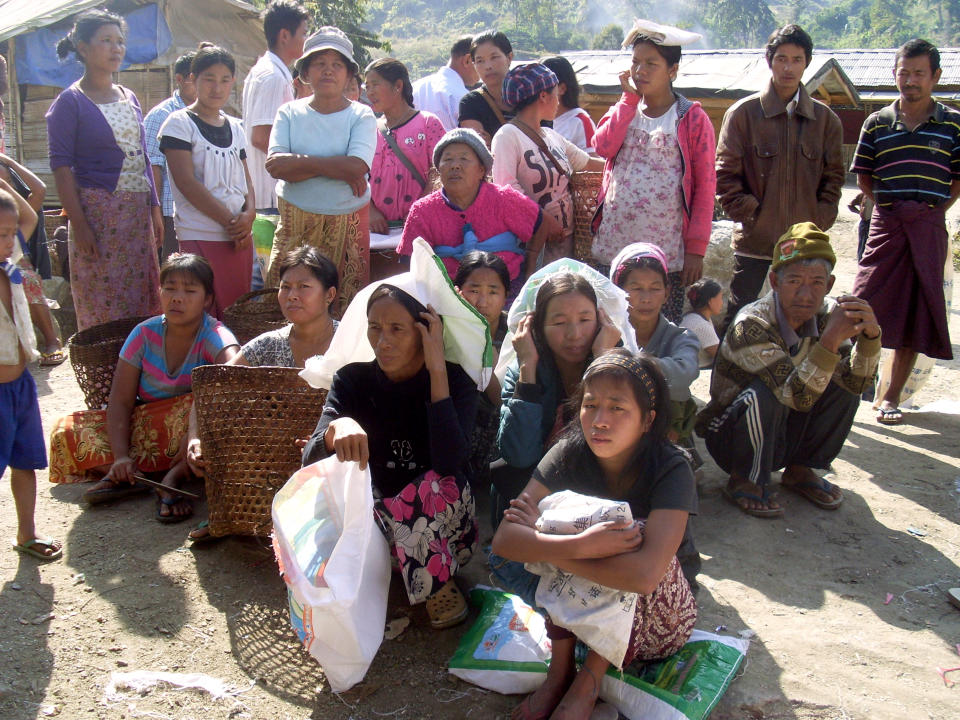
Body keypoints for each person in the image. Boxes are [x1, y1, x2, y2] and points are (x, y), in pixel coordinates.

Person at [491, 349, 698, 719]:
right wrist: (580, 544)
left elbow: (646, 576)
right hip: (580, 612)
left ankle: (589, 680)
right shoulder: (569, 452)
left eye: (617, 408)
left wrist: (550, 547)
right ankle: (560, 671)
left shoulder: (671, 466)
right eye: (591, 405)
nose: (600, 421)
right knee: (559, 520)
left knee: (631, 531)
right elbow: (504, 541)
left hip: (654, 621)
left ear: (647, 420)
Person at [302, 284, 479, 629]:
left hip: (443, 530)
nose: (383, 341)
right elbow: (310, 458)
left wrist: (437, 369)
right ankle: (393, 565)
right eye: (375, 328)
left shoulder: (457, 382)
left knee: (433, 486)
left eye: (397, 329)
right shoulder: (352, 381)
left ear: (425, 329)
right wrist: (336, 429)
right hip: (375, 520)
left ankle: (434, 582)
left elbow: (450, 463)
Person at [696, 223, 881, 518]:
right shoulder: (752, 324)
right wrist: (831, 341)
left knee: (842, 388)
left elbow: (856, 384)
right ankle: (745, 478)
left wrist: (870, 339)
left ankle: (800, 469)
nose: (806, 294)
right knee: (764, 394)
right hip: (731, 436)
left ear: (829, 285)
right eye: (794, 281)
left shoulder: (827, 315)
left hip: (784, 429)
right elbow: (795, 396)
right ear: (775, 281)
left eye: (817, 283)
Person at [48, 254, 239, 524]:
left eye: (189, 290)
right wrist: (121, 455)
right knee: (63, 431)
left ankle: (171, 476)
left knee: (198, 404)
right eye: (170, 288)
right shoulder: (143, 334)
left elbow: (235, 374)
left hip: (190, 435)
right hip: (145, 431)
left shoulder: (214, 335)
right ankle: (136, 472)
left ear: (207, 299)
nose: (177, 297)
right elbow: (121, 401)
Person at [185, 246, 339, 542]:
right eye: (285, 287)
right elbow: (211, 388)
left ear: (329, 295)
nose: (292, 295)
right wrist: (196, 437)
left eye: (304, 287)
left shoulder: (348, 342)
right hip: (270, 459)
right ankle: (229, 516)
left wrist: (324, 440)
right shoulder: (267, 345)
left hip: (330, 453)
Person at [850, 38, 960, 426]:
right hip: (886, 224)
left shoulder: (953, 123)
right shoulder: (876, 122)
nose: (910, 81)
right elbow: (864, 175)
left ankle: (889, 398)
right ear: (894, 74)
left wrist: (934, 211)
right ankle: (846, 389)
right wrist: (889, 208)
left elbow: (957, 178)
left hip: (928, 226)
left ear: (935, 77)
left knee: (916, 309)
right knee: (861, 302)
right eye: (903, 73)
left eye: (918, 73)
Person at [716, 24, 844, 332]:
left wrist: (818, 219)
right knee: (740, 322)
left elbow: (834, 179)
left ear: (806, 63)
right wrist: (752, 214)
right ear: (769, 60)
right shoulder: (743, 114)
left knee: (800, 322)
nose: (788, 67)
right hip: (754, 244)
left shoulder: (826, 121)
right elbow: (724, 174)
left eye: (797, 59)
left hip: (804, 246)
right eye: (782, 58)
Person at [46, 9, 163, 332]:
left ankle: (140, 372)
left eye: (120, 41)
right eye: (106, 41)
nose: (116, 48)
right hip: (98, 216)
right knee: (102, 300)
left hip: (135, 216)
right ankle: (108, 374)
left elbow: (140, 154)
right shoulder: (70, 102)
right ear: (83, 48)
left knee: (142, 295)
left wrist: (153, 207)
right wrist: (79, 223)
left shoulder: (129, 97)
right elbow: (61, 167)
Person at [592, 20, 716, 324]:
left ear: (672, 70)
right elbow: (603, 146)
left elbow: (705, 188)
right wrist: (628, 101)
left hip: (666, 253)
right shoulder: (625, 107)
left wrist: (696, 250)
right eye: (636, 62)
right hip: (613, 245)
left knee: (657, 329)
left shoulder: (691, 119)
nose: (640, 71)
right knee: (610, 327)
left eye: (651, 64)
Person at [265, 26, 377, 315]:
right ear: (306, 71)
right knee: (283, 306)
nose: (328, 71)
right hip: (294, 224)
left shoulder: (361, 115)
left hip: (347, 226)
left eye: (337, 65)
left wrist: (300, 164)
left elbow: (357, 166)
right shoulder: (289, 113)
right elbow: (276, 165)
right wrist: (336, 167)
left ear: (349, 74)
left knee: (344, 308)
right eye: (320, 64)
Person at [496, 269, 622, 520]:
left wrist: (603, 362)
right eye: (559, 322)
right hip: (540, 492)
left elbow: (619, 448)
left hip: (598, 488)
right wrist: (527, 369)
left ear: (600, 321)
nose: (574, 334)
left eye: (585, 320)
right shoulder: (524, 369)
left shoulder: (621, 367)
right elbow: (519, 456)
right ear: (537, 327)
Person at [398, 128, 559, 298]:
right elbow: (409, 261)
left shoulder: (504, 199)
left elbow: (540, 222)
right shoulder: (422, 211)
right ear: (438, 169)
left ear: (481, 170)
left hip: (507, 290)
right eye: (448, 159)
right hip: (446, 296)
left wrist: (531, 261)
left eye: (464, 159)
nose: (455, 165)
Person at [160, 44, 255, 319]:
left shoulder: (236, 127)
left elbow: (246, 179)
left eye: (225, 80)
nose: (217, 88)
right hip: (200, 233)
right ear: (193, 79)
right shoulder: (178, 124)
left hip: (238, 238)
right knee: (200, 312)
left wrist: (249, 215)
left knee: (236, 314)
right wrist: (231, 222)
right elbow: (187, 183)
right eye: (209, 79)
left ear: (233, 83)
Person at [1, 187, 63, 561]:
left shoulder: (11, 269)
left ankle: (26, 533)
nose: (9, 241)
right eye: (0, 235)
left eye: (9, 234)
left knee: (25, 462)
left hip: (21, 388)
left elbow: (29, 215)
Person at [492, 63, 603, 264]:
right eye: (555, 93)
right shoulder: (507, 136)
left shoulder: (552, 136)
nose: (558, 101)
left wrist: (625, 164)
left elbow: (586, 163)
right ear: (543, 96)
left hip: (564, 242)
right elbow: (506, 189)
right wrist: (543, 220)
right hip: (531, 244)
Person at [610, 243, 700, 445]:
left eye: (655, 288)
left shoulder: (681, 337)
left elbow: (684, 373)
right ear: (618, 291)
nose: (646, 298)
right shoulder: (607, 334)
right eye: (636, 288)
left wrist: (627, 365)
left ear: (667, 293)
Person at [241, 0, 309, 215]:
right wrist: (302, 164)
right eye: (303, 33)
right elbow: (261, 137)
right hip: (269, 195)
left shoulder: (270, 72)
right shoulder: (272, 76)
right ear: (284, 36)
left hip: (266, 194)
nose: (305, 40)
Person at [453, 251, 510, 505]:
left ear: (506, 296)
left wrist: (487, 360)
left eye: (493, 291)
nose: (482, 302)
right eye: (474, 290)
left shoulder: (516, 331)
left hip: (499, 422)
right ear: (458, 292)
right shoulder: (445, 329)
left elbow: (504, 400)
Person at [365, 58, 445, 234]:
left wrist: (420, 210)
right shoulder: (368, 128)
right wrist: (369, 210)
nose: (369, 92)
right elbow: (359, 175)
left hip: (422, 226)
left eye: (375, 84)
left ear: (398, 85)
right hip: (377, 232)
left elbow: (440, 171)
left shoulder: (428, 123)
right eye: (367, 86)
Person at [0, 159, 64, 365]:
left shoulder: (17, 217)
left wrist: (8, 166)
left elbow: (39, 190)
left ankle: (51, 340)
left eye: (8, 180)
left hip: (16, 265)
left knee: (26, 278)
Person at [143, 50, 198, 262]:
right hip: (170, 210)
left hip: (198, 211)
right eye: (195, 78)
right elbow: (153, 167)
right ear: (180, 80)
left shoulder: (208, 114)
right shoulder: (162, 115)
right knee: (173, 266)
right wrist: (154, 213)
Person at [458, 31, 514, 145]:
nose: (488, 66)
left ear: (509, 57)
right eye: (480, 61)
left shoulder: (530, 94)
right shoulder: (471, 103)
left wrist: (494, 142)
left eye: (494, 57)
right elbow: (479, 147)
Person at [412, 36, 479, 132]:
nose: (483, 68)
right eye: (479, 61)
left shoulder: (415, 87)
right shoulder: (463, 98)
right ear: (467, 60)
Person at [541, 55, 596, 152]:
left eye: (543, 86)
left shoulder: (580, 121)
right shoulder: (537, 120)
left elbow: (594, 162)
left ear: (562, 88)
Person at [681, 277, 723, 368]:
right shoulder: (700, 324)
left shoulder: (693, 317)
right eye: (720, 298)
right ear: (710, 301)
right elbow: (721, 357)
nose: (722, 303)